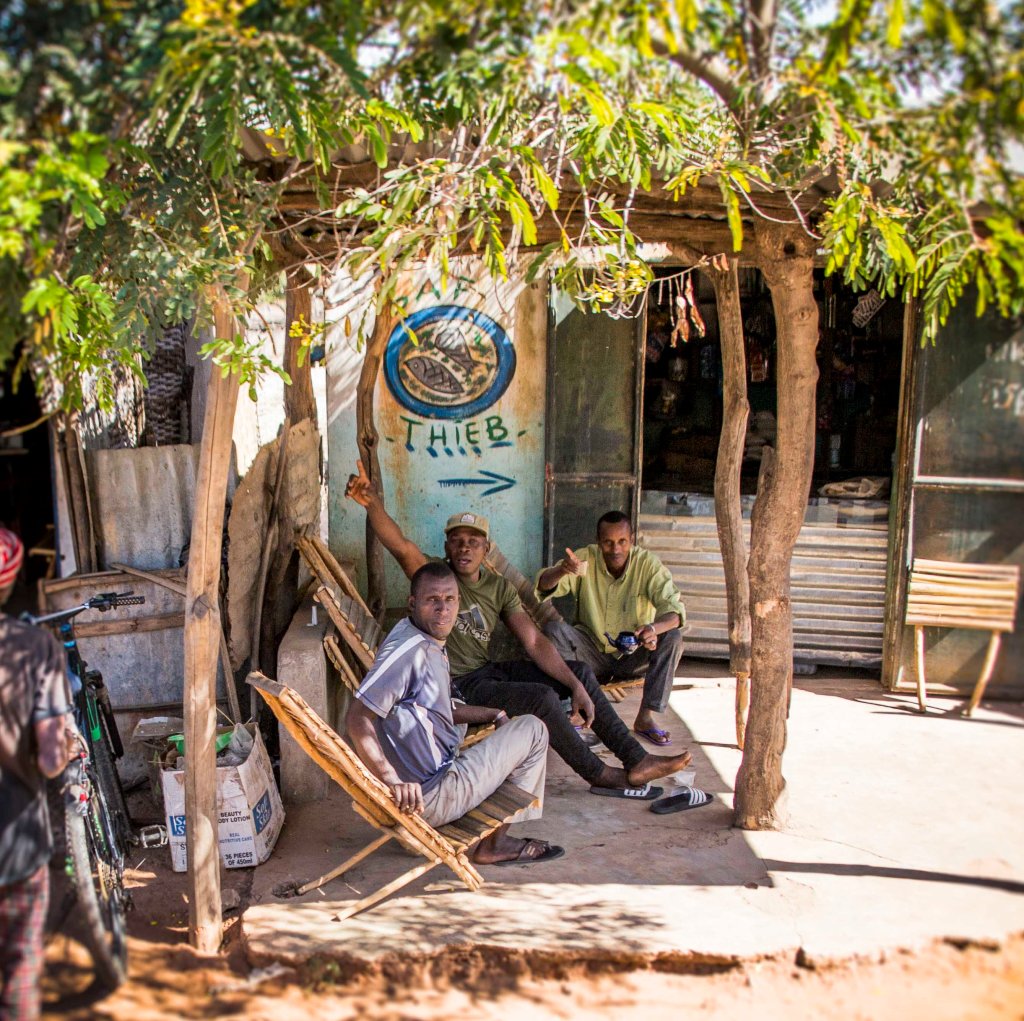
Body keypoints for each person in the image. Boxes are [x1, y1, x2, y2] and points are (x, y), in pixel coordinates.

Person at [346, 461, 692, 797]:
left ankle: (637, 758)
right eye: (457, 540)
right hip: (455, 687)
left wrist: (575, 686)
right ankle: (598, 773)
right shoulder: (437, 579)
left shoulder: (499, 588)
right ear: (447, 547)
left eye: (474, 541)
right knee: (540, 698)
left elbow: (534, 641)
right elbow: (400, 545)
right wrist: (372, 502)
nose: (465, 546)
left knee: (581, 672)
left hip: (486, 672)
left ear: (486, 548)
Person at [346, 561, 562, 865]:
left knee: (477, 721)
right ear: (413, 603)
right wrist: (392, 780)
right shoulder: (411, 653)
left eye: (450, 600)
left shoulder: (418, 637)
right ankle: (494, 844)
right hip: (431, 797)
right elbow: (357, 718)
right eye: (432, 600)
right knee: (534, 729)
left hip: (428, 781)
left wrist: (493, 713)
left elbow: (436, 707)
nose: (443, 609)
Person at [0, 528, 73, 1021]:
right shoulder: (37, 650)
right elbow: (50, 760)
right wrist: (67, 740)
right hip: (16, 846)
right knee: (19, 978)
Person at [536, 511, 686, 746]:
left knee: (673, 636)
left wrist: (653, 628)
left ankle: (646, 717)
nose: (615, 549)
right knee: (554, 631)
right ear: (599, 541)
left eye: (622, 541)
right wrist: (563, 570)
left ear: (632, 540)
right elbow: (544, 585)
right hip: (590, 655)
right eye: (608, 542)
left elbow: (675, 612)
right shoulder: (584, 560)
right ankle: (572, 714)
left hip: (633, 656)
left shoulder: (647, 564)